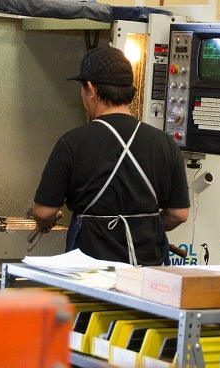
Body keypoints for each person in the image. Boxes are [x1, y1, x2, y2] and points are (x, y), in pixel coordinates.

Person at [32, 46, 190, 266]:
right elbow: (179, 214)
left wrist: (46, 221)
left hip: (89, 269)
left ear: (90, 88)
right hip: (148, 270)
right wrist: (143, 224)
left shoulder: (73, 142)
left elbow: (44, 211)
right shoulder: (165, 143)